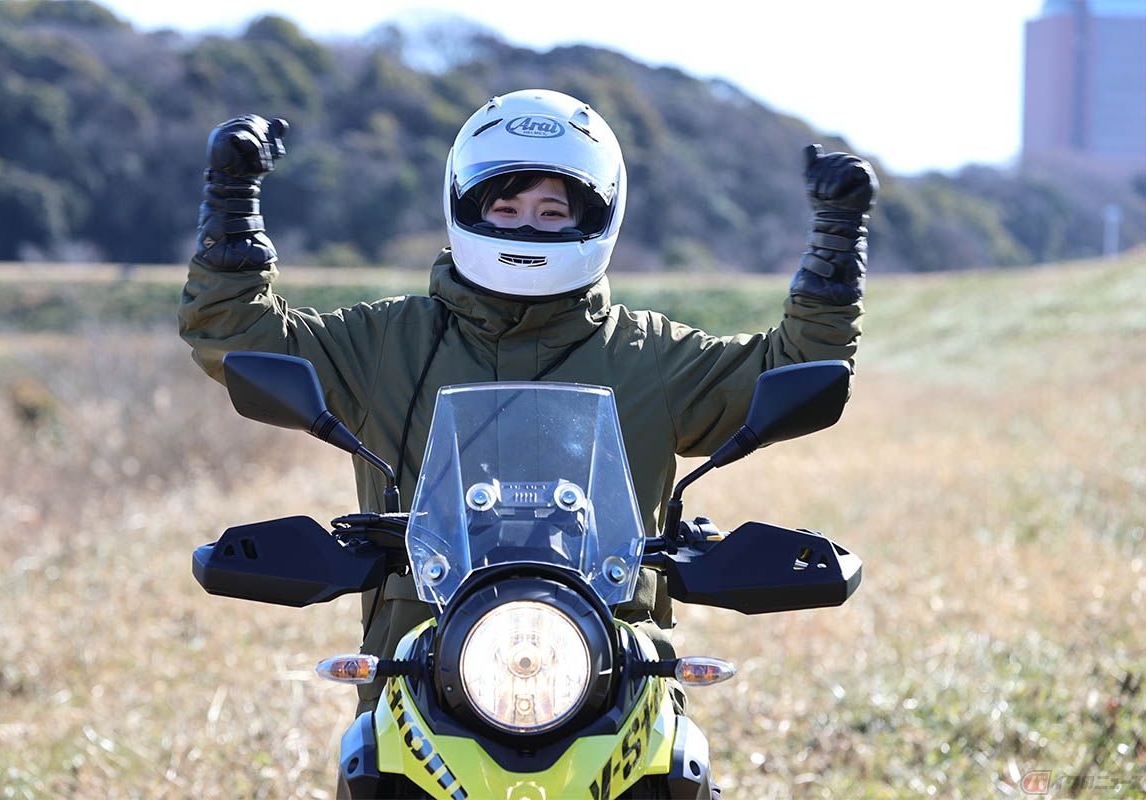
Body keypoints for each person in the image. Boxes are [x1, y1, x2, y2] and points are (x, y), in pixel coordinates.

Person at [179, 90, 877, 720]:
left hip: (613, 669)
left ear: (595, 217)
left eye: (551, 212)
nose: (525, 228)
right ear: (464, 207)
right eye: (505, 208)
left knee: (679, 765)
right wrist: (230, 203)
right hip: (419, 665)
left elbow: (795, 371)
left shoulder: (649, 354)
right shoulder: (387, 341)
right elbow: (239, 336)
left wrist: (836, 245)